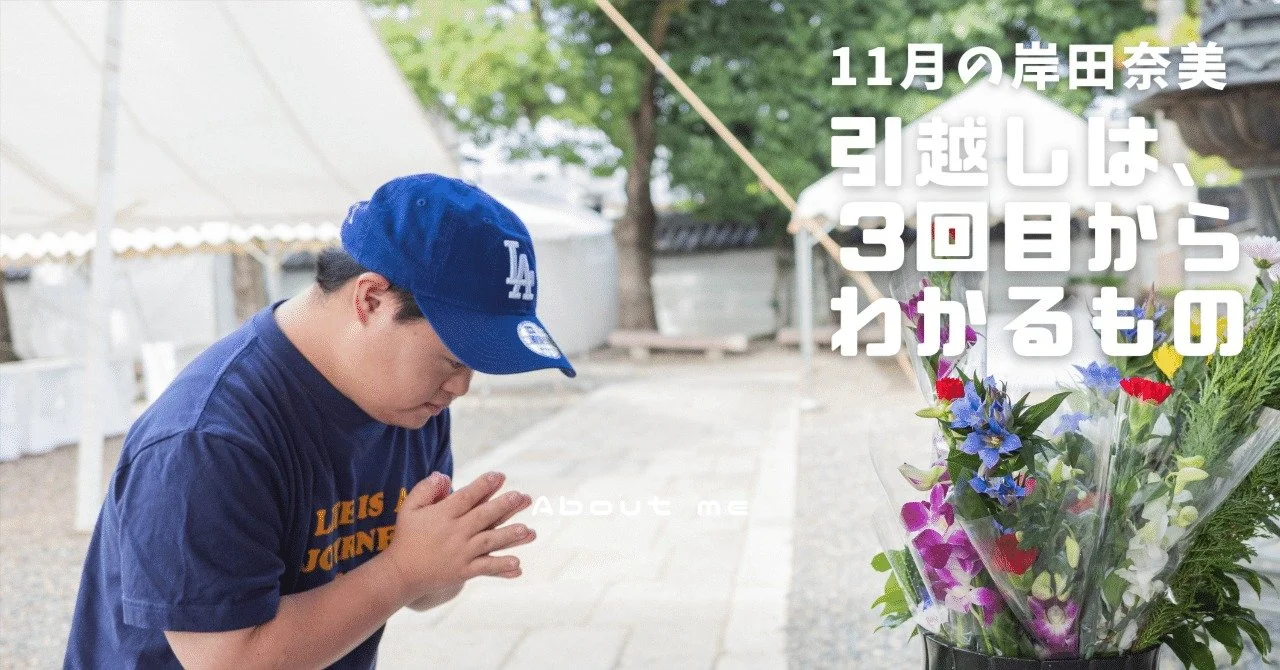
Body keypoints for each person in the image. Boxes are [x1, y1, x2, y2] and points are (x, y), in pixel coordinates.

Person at [65, 174, 576, 669]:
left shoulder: (411, 407)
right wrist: (402, 571)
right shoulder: (207, 439)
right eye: (453, 359)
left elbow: (425, 588)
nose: (460, 387)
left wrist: (444, 557)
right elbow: (230, 661)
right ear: (370, 299)